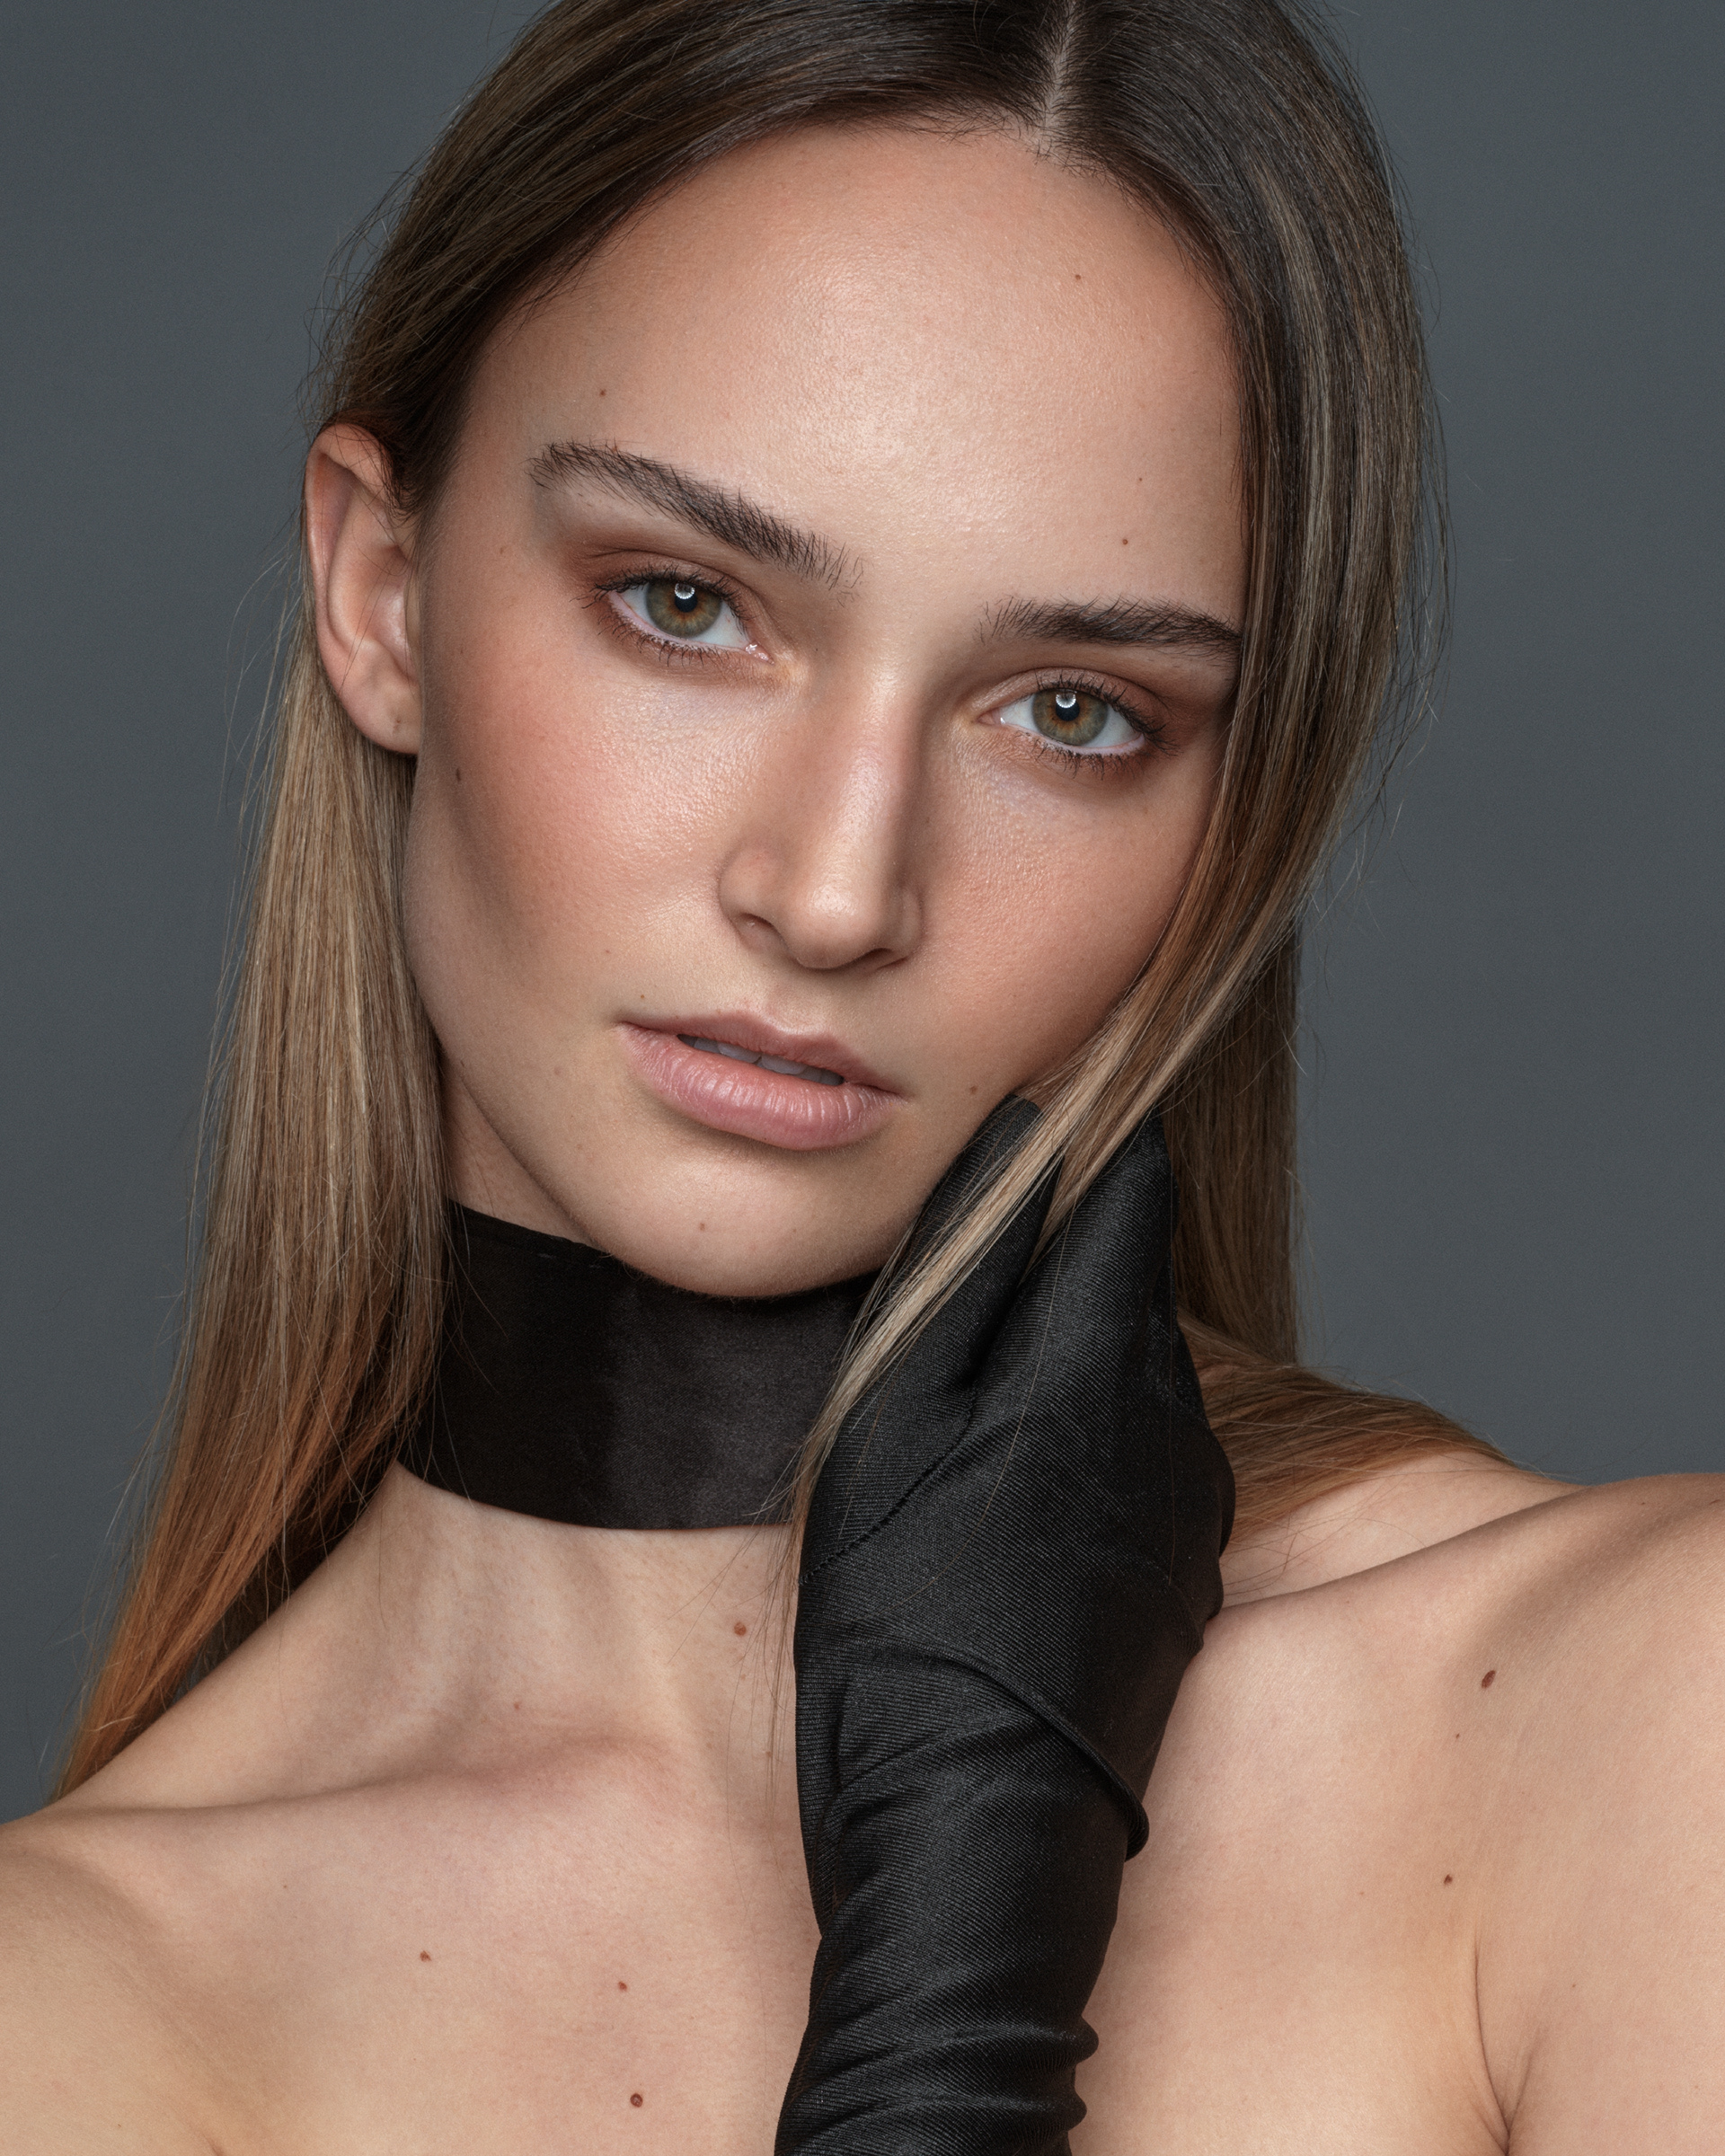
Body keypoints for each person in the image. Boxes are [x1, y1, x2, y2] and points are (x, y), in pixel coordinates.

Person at [4, 0, 1722, 2148]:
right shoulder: (59, 2010)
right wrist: (942, 2041)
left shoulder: (1643, 1721)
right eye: (683, 603)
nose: (833, 893)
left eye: (1073, 712)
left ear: (1236, 819)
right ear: (382, 593)